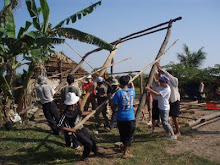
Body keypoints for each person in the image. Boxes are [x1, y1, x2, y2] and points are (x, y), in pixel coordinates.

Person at [57, 92, 98, 161]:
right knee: (88, 144)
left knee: (92, 140)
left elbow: (80, 113)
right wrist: (71, 130)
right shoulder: (66, 113)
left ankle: (95, 152)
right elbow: (59, 125)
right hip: (76, 132)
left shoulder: (75, 107)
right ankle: (84, 156)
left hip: (81, 127)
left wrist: (90, 112)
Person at [110, 75, 136, 159]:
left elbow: (113, 105)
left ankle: (125, 150)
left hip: (121, 117)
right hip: (130, 117)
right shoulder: (132, 92)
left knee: (123, 135)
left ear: (120, 84)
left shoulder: (118, 93)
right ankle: (125, 152)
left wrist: (111, 99)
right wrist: (131, 83)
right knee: (129, 136)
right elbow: (133, 88)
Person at [146, 76, 177, 140]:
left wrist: (149, 89)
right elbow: (157, 84)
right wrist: (154, 76)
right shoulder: (162, 87)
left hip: (164, 108)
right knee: (163, 122)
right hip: (161, 106)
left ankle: (173, 135)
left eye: (161, 82)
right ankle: (168, 133)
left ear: (165, 82)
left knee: (165, 122)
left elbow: (158, 94)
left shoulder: (167, 89)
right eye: (160, 82)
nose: (160, 83)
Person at [157, 64, 181, 136]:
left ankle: (178, 131)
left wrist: (162, 71)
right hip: (169, 102)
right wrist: (159, 70)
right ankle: (170, 132)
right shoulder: (167, 82)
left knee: (174, 118)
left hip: (175, 101)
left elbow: (168, 76)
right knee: (168, 118)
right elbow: (160, 78)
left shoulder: (175, 80)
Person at [60, 74, 82, 149]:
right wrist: (80, 110)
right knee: (74, 126)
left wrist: (61, 110)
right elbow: (79, 100)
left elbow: (62, 100)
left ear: (67, 81)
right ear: (74, 81)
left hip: (66, 108)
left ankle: (68, 143)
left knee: (66, 125)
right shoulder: (76, 89)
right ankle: (76, 144)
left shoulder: (63, 89)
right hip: (73, 108)